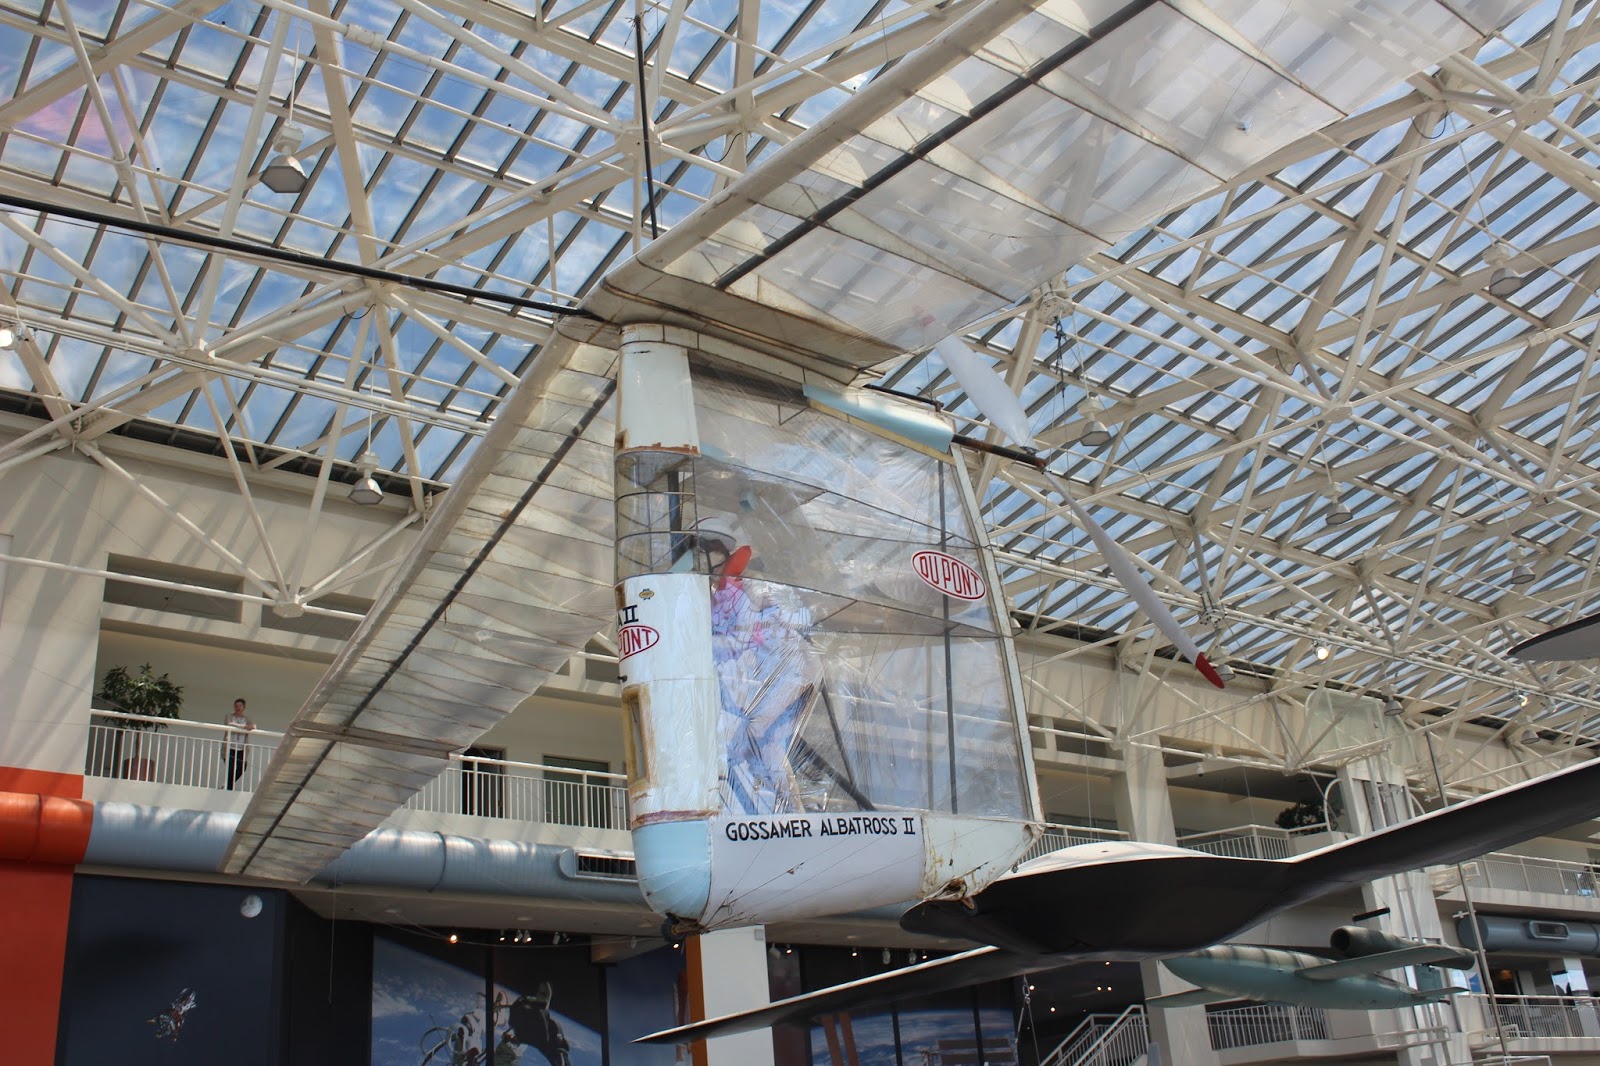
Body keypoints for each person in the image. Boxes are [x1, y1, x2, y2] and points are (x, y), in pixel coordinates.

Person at [698, 518, 821, 815]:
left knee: (753, 734)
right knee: (769, 747)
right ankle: (793, 811)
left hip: (795, 671)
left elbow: (737, 639)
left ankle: (794, 802)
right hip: (793, 671)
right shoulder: (728, 595)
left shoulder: (742, 592)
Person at [224, 698, 254, 789]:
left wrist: (240, 726)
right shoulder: (229, 716)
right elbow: (228, 724)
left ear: (244, 707)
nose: (238, 707)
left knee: (242, 767)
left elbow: (253, 726)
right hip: (230, 747)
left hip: (241, 748)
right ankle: (228, 788)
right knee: (230, 769)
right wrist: (244, 727)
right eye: (236, 706)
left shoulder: (246, 719)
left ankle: (227, 786)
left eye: (240, 705)